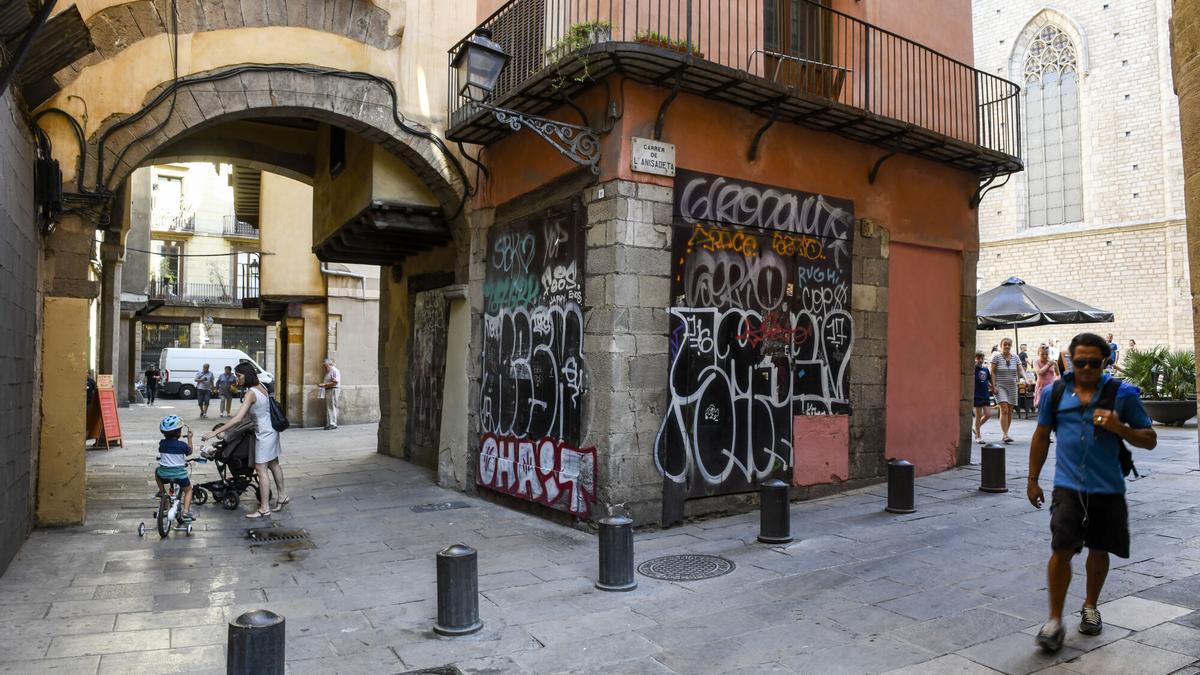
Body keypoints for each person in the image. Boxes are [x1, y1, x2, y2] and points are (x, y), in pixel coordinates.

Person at [1028, 333, 1156, 652]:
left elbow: (1150, 438)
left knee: (1099, 549)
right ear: (1069, 360)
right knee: (1061, 548)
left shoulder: (1122, 394)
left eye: (1093, 362)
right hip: (1068, 487)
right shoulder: (1055, 392)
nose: (1085, 367)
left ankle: (1090, 607)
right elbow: (1041, 435)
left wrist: (1120, 428)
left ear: (1105, 361)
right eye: (1079, 361)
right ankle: (1054, 621)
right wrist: (1033, 479)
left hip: (1107, 487)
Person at [203, 362, 288, 518]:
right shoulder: (261, 386)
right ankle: (282, 496)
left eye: (239, 376)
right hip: (272, 431)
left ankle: (264, 508)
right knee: (274, 464)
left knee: (261, 470)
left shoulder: (250, 393)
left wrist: (216, 432)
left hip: (263, 434)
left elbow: (238, 418)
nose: (237, 379)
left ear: (247, 375)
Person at [155, 415, 196, 522]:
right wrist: (190, 439)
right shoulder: (182, 445)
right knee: (188, 490)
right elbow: (189, 451)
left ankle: (161, 491)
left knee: (157, 472)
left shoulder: (162, 443)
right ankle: (186, 511)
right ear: (178, 433)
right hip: (179, 475)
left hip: (164, 474)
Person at [990, 337, 1025, 444]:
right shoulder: (996, 357)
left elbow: (1020, 369)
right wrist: (993, 386)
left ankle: (1006, 433)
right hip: (1000, 386)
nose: (1007, 346)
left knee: (1009, 411)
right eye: (1005, 344)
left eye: (1009, 345)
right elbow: (992, 372)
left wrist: (1026, 377)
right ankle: (1005, 435)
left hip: (1012, 386)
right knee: (1004, 409)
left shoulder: (1015, 357)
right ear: (1001, 346)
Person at [973, 351, 993, 444]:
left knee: (988, 414)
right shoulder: (973, 370)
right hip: (977, 395)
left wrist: (993, 388)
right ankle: (978, 435)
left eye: (982, 358)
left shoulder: (985, 370)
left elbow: (987, 381)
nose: (980, 360)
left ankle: (976, 427)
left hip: (985, 394)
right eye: (978, 358)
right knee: (978, 416)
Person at [1033, 345, 1059, 411]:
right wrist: (1048, 364)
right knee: (1041, 406)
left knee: (1051, 407)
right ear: (1038, 354)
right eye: (1042, 354)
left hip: (1051, 387)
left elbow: (1058, 374)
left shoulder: (1053, 363)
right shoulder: (1036, 362)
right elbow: (1039, 372)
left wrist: (1056, 382)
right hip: (1041, 387)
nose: (1044, 356)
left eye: (1046, 354)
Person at [318, 357, 341, 430]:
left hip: (333, 390)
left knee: (332, 407)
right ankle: (330, 423)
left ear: (329, 364)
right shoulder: (329, 371)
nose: (324, 366)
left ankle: (333, 423)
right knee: (330, 407)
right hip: (329, 390)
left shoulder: (334, 370)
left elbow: (335, 382)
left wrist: (324, 385)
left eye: (325, 365)